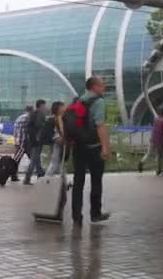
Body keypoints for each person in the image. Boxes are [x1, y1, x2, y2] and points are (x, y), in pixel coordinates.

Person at [72, 76, 111, 226]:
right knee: (96, 181)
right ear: (94, 86)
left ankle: (77, 217)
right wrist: (105, 147)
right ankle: (95, 214)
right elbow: (100, 125)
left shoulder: (79, 101)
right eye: (102, 85)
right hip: (94, 147)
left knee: (78, 182)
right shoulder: (99, 102)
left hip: (78, 147)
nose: (104, 87)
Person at [137, 108, 163, 175]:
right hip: (159, 140)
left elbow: (155, 127)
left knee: (148, 153)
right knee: (160, 155)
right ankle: (159, 170)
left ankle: (141, 162)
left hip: (152, 139)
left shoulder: (156, 119)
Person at [23, 99, 47, 185]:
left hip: (34, 140)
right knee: (34, 160)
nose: (45, 107)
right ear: (40, 106)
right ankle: (27, 178)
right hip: (36, 141)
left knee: (36, 159)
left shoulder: (34, 114)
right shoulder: (38, 114)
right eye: (44, 106)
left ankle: (40, 175)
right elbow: (38, 126)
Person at [12, 105, 33, 182]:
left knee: (16, 160)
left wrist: (15, 140)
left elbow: (14, 130)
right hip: (25, 142)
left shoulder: (19, 118)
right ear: (31, 110)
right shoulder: (28, 118)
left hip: (19, 142)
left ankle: (13, 175)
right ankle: (40, 175)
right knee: (34, 159)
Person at [45, 101, 66, 176]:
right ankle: (47, 179)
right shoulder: (53, 119)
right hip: (56, 142)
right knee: (55, 161)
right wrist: (58, 138)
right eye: (62, 107)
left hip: (61, 142)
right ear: (57, 109)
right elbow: (53, 132)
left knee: (60, 162)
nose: (64, 108)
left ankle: (63, 181)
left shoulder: (62, 117)